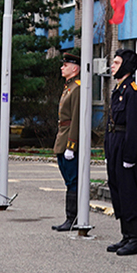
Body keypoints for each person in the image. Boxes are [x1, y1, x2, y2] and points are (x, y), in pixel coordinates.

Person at [103, 50, 137, 255]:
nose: (112, 65)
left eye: (117, 62)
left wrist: (129, 156)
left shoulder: (132, 92)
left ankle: (136, 239)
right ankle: (126, 235)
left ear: (126, 66)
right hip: (115, 143)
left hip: (125, 145)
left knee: (129, 191)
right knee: (118, 189)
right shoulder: (118, 89)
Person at [51, 54, 83, 231]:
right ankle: (71, 218)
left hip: (69, 140)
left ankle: (73, 218)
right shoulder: (69, 87)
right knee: (69, 181)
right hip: (62, 138)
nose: (62, 68)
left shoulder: (77, 88)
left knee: (73, 181)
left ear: (75, 68)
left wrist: (72, 145)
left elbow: (76, 119)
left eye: (66, 65)